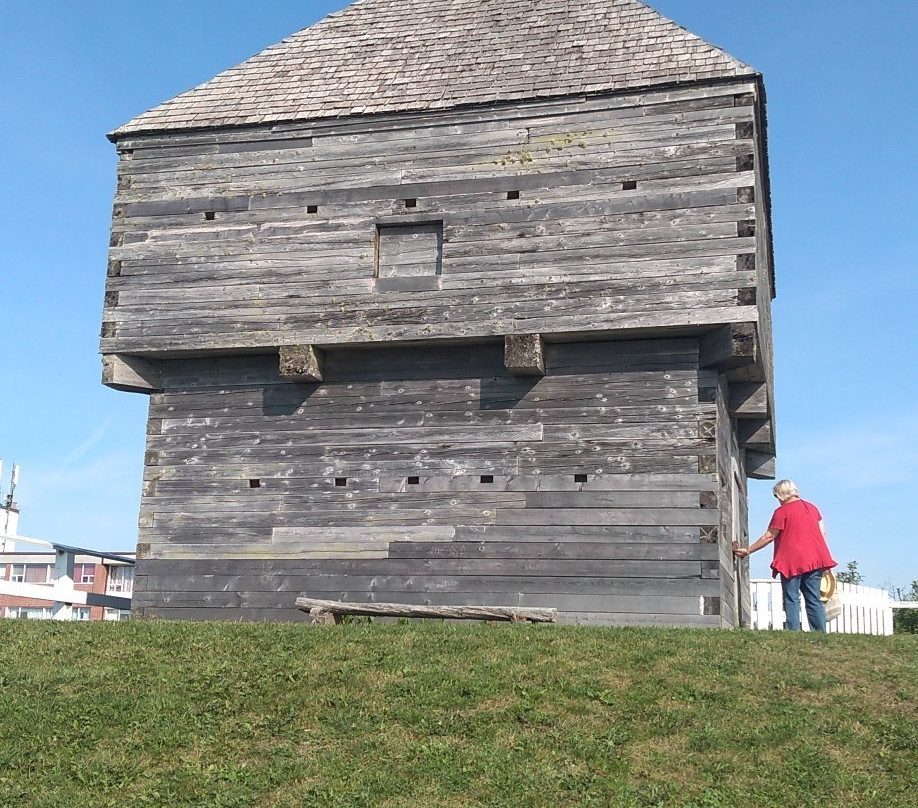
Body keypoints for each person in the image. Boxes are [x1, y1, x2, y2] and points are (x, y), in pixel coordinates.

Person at [734, 479, 837, 631]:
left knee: (791, 597)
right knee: (813, 598)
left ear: (781, 495)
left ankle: (793, 631)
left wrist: (748, 550)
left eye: (776, 496)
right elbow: (823, 533)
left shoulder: (782, 512)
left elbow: (769, 536)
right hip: (816, 558)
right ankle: (819, 632)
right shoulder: (812, 508)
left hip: (791, 560)